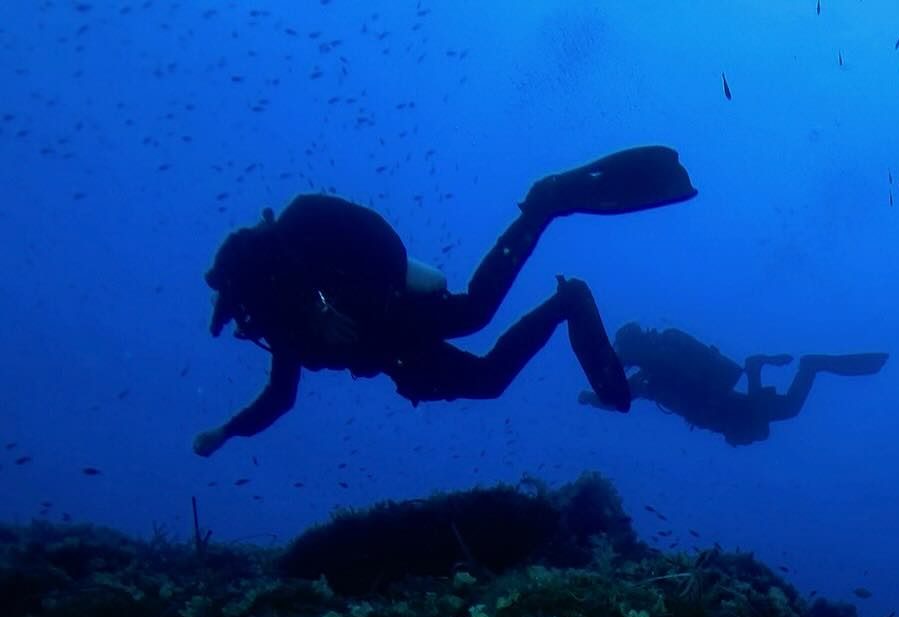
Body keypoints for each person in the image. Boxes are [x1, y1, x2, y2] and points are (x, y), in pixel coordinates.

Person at [193, 147, 697, 456]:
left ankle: (545, 205)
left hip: (397, 312)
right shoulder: (283, 322)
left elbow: (373, 245)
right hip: (396, 355)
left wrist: (327, 304)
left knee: (476, 313)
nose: (248, 325)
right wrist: (227, 431)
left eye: (244, 312)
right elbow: (280, 398)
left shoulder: (297, 263)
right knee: (489, 380)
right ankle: (568, 302)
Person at [580, 323, 888, 446]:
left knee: (785, 411)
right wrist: (593, 397)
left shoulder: (652, 373)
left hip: (724, 408)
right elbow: (621, 398)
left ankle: (805, 365)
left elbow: (619, 398)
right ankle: (799, 366)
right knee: (783, 411)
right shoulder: (652, 373)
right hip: (723, 406)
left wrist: (591, 397)